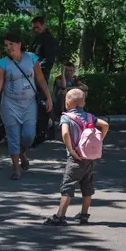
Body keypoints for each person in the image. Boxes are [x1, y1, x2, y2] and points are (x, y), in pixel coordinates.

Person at [0, 32, 53, 180]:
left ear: (19, 44)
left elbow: (41, 79)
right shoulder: (2, 63)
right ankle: (16, 168)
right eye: (5, 45)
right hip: (10, 104)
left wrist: (49, 97)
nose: (8, 47)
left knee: (29, 135)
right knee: (13, 137)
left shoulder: (32, 59)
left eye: (11, 44)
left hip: (29, 104)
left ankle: (22, 151)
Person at [44, 89, 109, 226]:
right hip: (89, 158)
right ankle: (84, 215)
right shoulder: (90, 117)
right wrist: (99, 141)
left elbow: (65, 134)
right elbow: (106, 125)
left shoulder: (66, 117)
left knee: (68, 186)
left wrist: (71, 150)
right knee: (87, 185)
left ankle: (60, 216)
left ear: (67, 104)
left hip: (75, 158)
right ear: (83, 103)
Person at [30, 16, 57, 84]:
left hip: (41, 74)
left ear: (43, 25)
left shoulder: (49, 39)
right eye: (34, 28)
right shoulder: (36, 38)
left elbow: (48, 59)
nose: (35, 30)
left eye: (37, 27)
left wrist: (37, 70)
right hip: (31, 71)